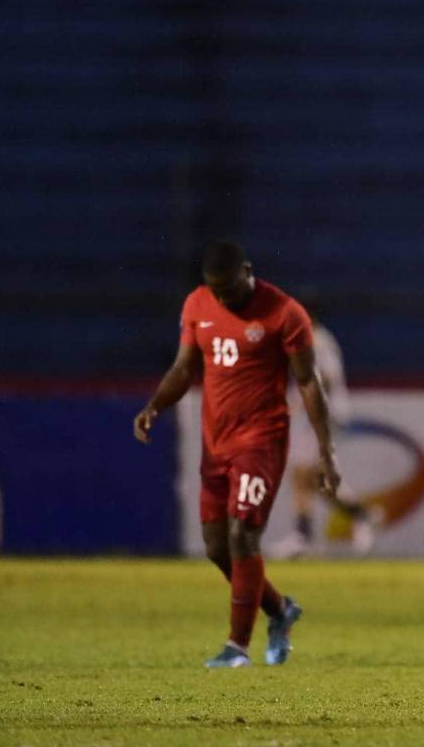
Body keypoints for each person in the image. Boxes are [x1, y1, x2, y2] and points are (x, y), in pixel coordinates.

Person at [133, 241, 342, 666]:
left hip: (262, 441)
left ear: (248, 271)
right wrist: (155, 405)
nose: (224, 298)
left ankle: (237, 646)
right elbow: (183, 367)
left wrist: (326, 451)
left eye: (229, 288)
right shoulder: (197, 304)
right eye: (216, 290)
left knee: (243, 535)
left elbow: (308, 383)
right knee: (216, 547)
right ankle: (280, 610)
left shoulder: (285, 313)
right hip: (215, 444)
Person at [272, 311, 354, 558]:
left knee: (301, 474)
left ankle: (303, 537)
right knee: (313, 479)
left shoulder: (316, 340)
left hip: (321, 417)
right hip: (317, 417)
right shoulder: (314, 340)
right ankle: (361, 516)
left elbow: (325, 378)